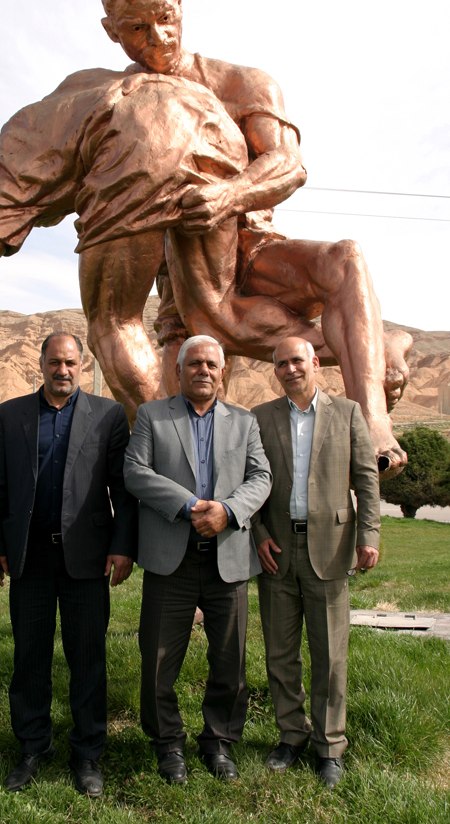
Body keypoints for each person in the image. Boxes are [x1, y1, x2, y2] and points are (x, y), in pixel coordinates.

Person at [0, 0, 410, 473]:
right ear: (111, 31)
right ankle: (377, 352)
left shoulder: (244, 83)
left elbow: (289, 166)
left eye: (165, 19)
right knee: (182, 421)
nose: (158, 39)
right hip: (178, 287)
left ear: (180, 2)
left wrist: (228, 197)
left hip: (252, 244)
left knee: (346, 260)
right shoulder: (111, 104)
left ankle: (375, 427)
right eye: (137, 29)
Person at [0, 332, 137, 797]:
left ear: (82, 365)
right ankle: (32, 747)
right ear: (41, 363)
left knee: (87, 658)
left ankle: (88, 754)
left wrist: (123, 546)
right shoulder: (10, 416)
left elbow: (122, 490)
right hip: (29, 558)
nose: (62, 370)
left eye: (70, 362)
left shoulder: (108, 415)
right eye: (55, 362)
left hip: (85, 558)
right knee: (29, 657)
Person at [123, 335, 271, 783]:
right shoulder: (152, 415)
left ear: (222, 372)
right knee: (158, 660)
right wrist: (190, 506)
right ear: (178, 371)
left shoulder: (244, 422)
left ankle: (219, 741)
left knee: (230, 660)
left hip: (228, 558)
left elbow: (261, 476)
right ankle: (167, 744)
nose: (203, 370)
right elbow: (135, 472)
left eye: (211, 364)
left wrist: (227, 511)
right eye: (194, 364)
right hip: (172, 559)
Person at [251, 336, 381, 788]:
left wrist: (370, 534)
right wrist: (260, 536)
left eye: (297, 360)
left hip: (332, 548)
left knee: (330, 656)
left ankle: (331, 745)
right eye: (281, 363)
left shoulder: (347, 413)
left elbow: (366, 478)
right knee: (280, 653)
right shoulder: (261, 418)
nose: (290, 369)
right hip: (278, 552)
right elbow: (252, 482)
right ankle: (291, 734)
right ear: (275, 371)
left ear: (315, 363)